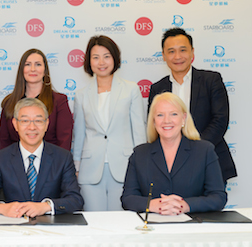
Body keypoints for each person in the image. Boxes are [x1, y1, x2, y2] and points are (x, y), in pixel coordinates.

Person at [148, 27, 236, 184]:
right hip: (170, 165)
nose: (178, 56)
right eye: (171, 51)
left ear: (192, 52)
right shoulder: (157, 88)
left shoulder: (211, 80)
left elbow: (220, 120)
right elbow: (155, 124)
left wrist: (195, 150)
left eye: (183, 50)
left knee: (209, 208)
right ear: (163, 55)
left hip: (209, 159)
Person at [0, 98, 83, 218]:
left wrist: (46, 206)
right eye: (25, 121)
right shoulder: (1, 159)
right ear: (15, 124)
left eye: (38, 121)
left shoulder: (63, 158)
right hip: (14, 228)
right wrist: (3, 208)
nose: (32, 127)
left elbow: (75, 200)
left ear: (46, 124)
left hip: (50, 229)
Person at [72, 35, 146, 211]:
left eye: (106, 56)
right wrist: (76, 165)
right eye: (95, 57)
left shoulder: (131, 89)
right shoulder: (81, 94)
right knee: (93, 223)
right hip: (90, 169)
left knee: (121, 223)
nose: (101, 62)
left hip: (125, 167)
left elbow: (139, 131)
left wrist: (143, 165)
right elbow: (79, 134)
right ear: (89, 62)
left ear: (115, 58)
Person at [121, 93, 227, 215]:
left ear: (183, 118)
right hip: (152, 228)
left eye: (174, 114)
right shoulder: (139, 154)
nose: (167, 120)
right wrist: (152, 204)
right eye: (160, 115)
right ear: (154, 122)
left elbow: (218, 197)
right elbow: (127, 198)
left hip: (192, 227)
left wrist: (186, 205)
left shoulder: (205, 150)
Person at [0, 49, 73, 151]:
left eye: (38, 64)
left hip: (51, 163)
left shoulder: (59, 101)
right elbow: (3, 141)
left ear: (45, 70)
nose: (33, 69)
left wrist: (57, 165)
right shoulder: (9, 102)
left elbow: (64, 141)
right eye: (28, 64)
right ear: (21, 69)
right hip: (16, 164)